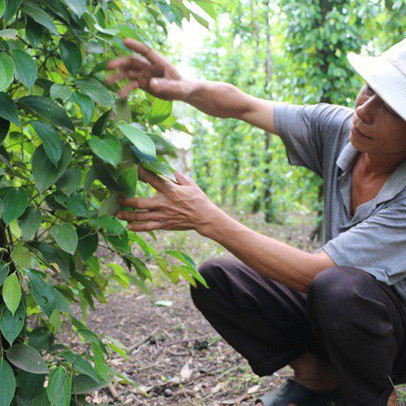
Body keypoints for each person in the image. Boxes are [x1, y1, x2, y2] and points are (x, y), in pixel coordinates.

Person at [106, 38, 406, 406]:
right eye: (369, 89)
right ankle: (319, 377)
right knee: (216, 278)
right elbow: (245, 106)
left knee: (338, 289)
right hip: (338, 313)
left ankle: (376, 396)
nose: (365, 109)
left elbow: (315, 274)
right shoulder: (340, 129)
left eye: (390, 107)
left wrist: (207, 218)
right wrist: (181, 88)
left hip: (393, 336)